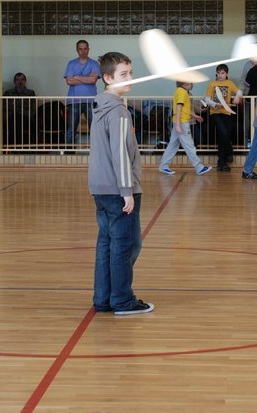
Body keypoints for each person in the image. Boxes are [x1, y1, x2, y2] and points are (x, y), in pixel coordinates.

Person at [88, 51, 153, 316]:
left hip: (101, 189)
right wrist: (127, 192)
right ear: (107, 78)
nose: (129, 78)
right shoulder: (118, 112)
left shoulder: (101, 107)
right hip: (119, 190)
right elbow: (119, 155)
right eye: (123, 74)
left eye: (131, 73)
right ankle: (123, 301)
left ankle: (103, 299)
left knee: (107, 244)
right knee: (125, 245)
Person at [158, 81, 211, 176]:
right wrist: (179, 125)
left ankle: (164, 165)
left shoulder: (180, 91)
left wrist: (195, 116)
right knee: (189, 145)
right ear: (186, 83)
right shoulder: (182, 92)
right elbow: (178, 108)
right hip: (182, 122)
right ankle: (199, 167)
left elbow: (184, 109)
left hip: (178, 121)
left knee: (173, 145)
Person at [204, 64, 242, 171]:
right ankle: (229, 152)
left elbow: (239, 91)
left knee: (224, 136)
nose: (220, 75)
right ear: (216, 73)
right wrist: (215, 104)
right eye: (218, 73)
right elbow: (207, 99)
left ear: (226, 73)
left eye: (222, 73)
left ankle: (221, 163)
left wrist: (237, 97)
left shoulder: (229, 83)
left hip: (227, 113)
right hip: (215, 113)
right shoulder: (212, 84)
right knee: (224, 134)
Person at [64, 39, 100, 145]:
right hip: (73, 101)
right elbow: (69, 81)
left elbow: (93, 80)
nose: (83, 51)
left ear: (88, 49)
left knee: (94, 128)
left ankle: (96, 151)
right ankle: (69, 152)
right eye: (80, 49)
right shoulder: (71, 63)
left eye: (85, 49)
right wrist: (87, 78)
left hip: (90, 100)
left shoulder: (94, 63)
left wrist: (77, 77)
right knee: (71, 129)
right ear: (77, 50)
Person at [3, 72, 36, 145]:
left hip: (26, 118)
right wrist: (21, 106)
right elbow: (5, 106)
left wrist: (14, 105)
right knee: (14, 120)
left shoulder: (30, 93)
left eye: (22, 79)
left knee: (16, 119)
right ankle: (17, 146)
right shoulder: (8, 93)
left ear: (25, 81)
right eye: (17, 80)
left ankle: (14, 146)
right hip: (11, 118)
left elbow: (30, 105)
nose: (20, 82)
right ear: (14, 82)